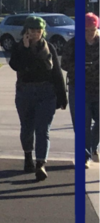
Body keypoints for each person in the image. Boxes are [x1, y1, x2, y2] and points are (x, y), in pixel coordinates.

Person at [8, 15, 69, 181]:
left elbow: (56, 72)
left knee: (43, 129)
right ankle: (28, 156)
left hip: (46, 92)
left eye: (38, 30)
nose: (35, 33)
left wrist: (62, 96)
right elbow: (16, 65)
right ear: (26, 31)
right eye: (32, 30)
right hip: (25, 92)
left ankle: (41, 163)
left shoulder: (49, 47)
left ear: (43, 31)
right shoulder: (19, 47)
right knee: (27, 128)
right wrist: (26, 48)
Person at [64, 13, 99, 167]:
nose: (89, 33)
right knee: (82, 125)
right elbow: (64, 63)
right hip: (79, 89)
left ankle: (93, 147)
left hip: (98, 89)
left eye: (92, 30)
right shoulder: (73, 44)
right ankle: (84, 156)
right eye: (86, 30)